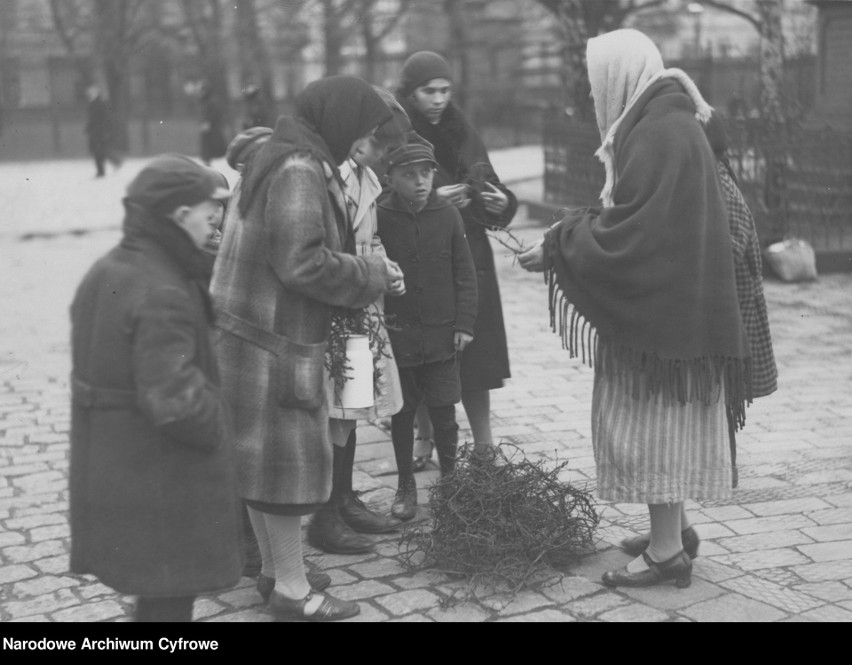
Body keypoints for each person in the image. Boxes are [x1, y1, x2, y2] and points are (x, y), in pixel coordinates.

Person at [518, 29, 752, 589]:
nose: (594, 93)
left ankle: (667, 553)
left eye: (598, 79)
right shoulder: (666, 120)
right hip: (678, 317)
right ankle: (675, 531)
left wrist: (558, 244)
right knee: (662, 430)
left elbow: (633, 235)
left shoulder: (657, 132)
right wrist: (564, 236)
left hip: (663, 330)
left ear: (618, 77)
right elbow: (638, 217)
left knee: (651, 429)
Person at [210, 75, 404, 621]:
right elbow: (301, 262)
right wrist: (370, 273)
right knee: (282, 471)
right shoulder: (299, 169)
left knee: (259, 466)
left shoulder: (279, 156)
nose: (362, 138)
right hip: (273, 344)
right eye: (363, 127)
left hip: (247, 338)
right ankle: (294, 592)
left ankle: (275, 575)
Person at [69, 154, 242, 622]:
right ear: (179, 216)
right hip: (163, 482)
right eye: (210, 214)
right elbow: (176, 400)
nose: (217, 225)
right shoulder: (164, 289)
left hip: (122, 473)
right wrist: (217, 427)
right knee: (168, 603)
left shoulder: (110, 268)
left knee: (154, 598)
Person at [618, 110, 778, 559]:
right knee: (678, 427)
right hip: (707, 330)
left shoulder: (720, 193)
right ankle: (677, 531)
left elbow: (714, 260)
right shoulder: (708, 184)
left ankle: (671, 543)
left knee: (680, 432)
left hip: (719, 340)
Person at [394, 51, 517, 469]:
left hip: (470, 257)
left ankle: (484, 448)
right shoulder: (395, 130)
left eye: (445, 90)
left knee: (476, 357)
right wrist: (431, 199)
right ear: (410, 92)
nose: (439, 99)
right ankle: (424, 438)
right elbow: (385, 198)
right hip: (422, 258)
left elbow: (489, 181)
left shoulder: (462, 129)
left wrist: (500, 203)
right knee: (426, 354)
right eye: (429, 91)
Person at [307, 87, 408, 554]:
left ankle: (344, 499)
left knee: (354, 404)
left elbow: (369, 238)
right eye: (384, 147)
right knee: (336, 409)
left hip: (363, 302)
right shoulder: (333, 176)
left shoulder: (366, 176)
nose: (386, 158)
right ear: (363, 136)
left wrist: (388, 269)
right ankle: (325, 515)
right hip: (338, 302)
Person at [377, 131, 478, 520]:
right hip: (399, 334)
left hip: (441, 335)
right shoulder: (382, 218)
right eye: (408, 175)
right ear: (390, 179)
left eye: (426, 173)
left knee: (444, 411)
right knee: (401, 413)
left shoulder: (448, 215)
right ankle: (406, 486)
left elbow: (465, 274)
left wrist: (464, 323)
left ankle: (451, 485)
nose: (420, 182)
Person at [84, 85, 117, 178]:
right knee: (99, 150)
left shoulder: (97, 104)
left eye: (90, 93)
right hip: (98, 130)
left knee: (98, 151)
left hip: (98, 130)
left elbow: (98, 118)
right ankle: (108, 165)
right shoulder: (96, 103)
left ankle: (101, 171)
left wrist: (91, 127)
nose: (89, 95)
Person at [199, 82, 228, 166]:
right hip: (206, 126)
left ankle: (209, 159)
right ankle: (207, 160)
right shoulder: (204, 101)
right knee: (207, 146)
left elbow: (215, 113)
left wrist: (208, 122)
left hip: (212, 127)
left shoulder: (211, 101)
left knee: (213, 145)